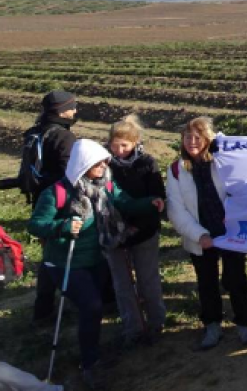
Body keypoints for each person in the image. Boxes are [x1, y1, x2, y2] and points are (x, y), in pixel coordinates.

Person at [28, 140, 163, 389]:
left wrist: (149, 202)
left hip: (97, 258)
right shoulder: (56, 193)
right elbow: (35, 224)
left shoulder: (105, 185)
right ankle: (90, 364)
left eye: (104, 161)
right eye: (97, 163)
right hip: (65, 263)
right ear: (83, 164)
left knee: (94, 308)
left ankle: (93, 352)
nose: (104, 165)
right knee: (91, 307)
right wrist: (62, 227)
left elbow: (126, 203)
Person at [166, 117, 247, 350]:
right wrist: (199, 235)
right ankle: (212, 325)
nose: (192, 142)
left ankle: (244, 323)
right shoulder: (176, 170)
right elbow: (176, 209)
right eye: (188, 137)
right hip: (201, 236)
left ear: (208, 139)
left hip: (229, 231)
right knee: (206, 283)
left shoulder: (223, 161)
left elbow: (241, 188)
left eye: (198, 137)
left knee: (236, 279)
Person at [103, 116, 167, 347]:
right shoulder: (104, 165)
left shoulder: (147, 164)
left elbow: (157, 197)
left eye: (125, 145)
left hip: (145, 230)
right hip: (114, 234)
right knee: (122, 285)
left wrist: (138, 224)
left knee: (147, 280)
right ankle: (132, 328)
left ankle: (157, 323)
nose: (119, 150)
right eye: (115, 144)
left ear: (135, 143)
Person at [29, 90, 79, 323]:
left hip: (40, 201)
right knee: (66, 253)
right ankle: (71, 302)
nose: (75, 111)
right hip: (60, 202)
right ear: (61, 110)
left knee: (48, 254)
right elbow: (69, 174)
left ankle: (43, 308)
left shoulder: (35, 132)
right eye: (72, 107)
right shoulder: (64, 137)